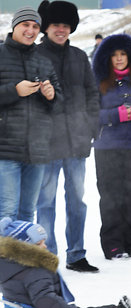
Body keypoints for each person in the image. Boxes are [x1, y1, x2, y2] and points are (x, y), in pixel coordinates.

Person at [0, 217, 131, 308]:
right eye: (39, 244)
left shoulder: (11, 270)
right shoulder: (34, 271)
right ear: (24, 249)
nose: (45, 247)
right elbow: (46, 301)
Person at [35, 2, 101, 274]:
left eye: (65, 25)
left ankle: (76, 254)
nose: (60, 30)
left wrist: (91, 127)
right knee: (46, 203)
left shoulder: (78, 56)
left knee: (77, 202)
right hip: (46, 145)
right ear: (47, 27)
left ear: (71, 27)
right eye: (55, 25)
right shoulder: (34, 55)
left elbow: (92, 93)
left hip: (76, 142)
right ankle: (47, 256)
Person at [92, 33, 131, 260]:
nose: (119, 59)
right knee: (109, 196)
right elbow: (91, 114)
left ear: (130, 56)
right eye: (114, 55)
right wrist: (115, 115)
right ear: (107, 58)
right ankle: (112, 244)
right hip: (106, 146)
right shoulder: (99, 81)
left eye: (123, 54)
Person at [0, 6, 61, 222]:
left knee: (27, 213)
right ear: (15, 26)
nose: (31, 30)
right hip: (5, 151)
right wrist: (14, 90)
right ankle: (4, 257)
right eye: (26, 25)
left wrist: (51, 95)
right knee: (6, 214)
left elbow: (59, 105)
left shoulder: (43, 60)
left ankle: (21, 257)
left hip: (37, 150)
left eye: (35, 26)